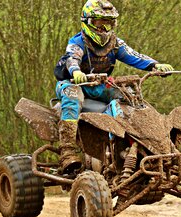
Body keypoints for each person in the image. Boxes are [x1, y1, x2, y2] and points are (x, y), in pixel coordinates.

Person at [54, 0, 174, 174]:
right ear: (87, 22)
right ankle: (68, 152)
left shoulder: (115, 43)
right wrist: (76, 72)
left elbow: (135, 56)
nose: (103, 29)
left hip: (99, 85)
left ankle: (133, 144)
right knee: (72, 96)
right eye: (99, 23)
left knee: (129, 94)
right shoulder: (78, 42)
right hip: (72, 83)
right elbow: (72, 57)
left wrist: (155, 65)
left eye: (108, 23)